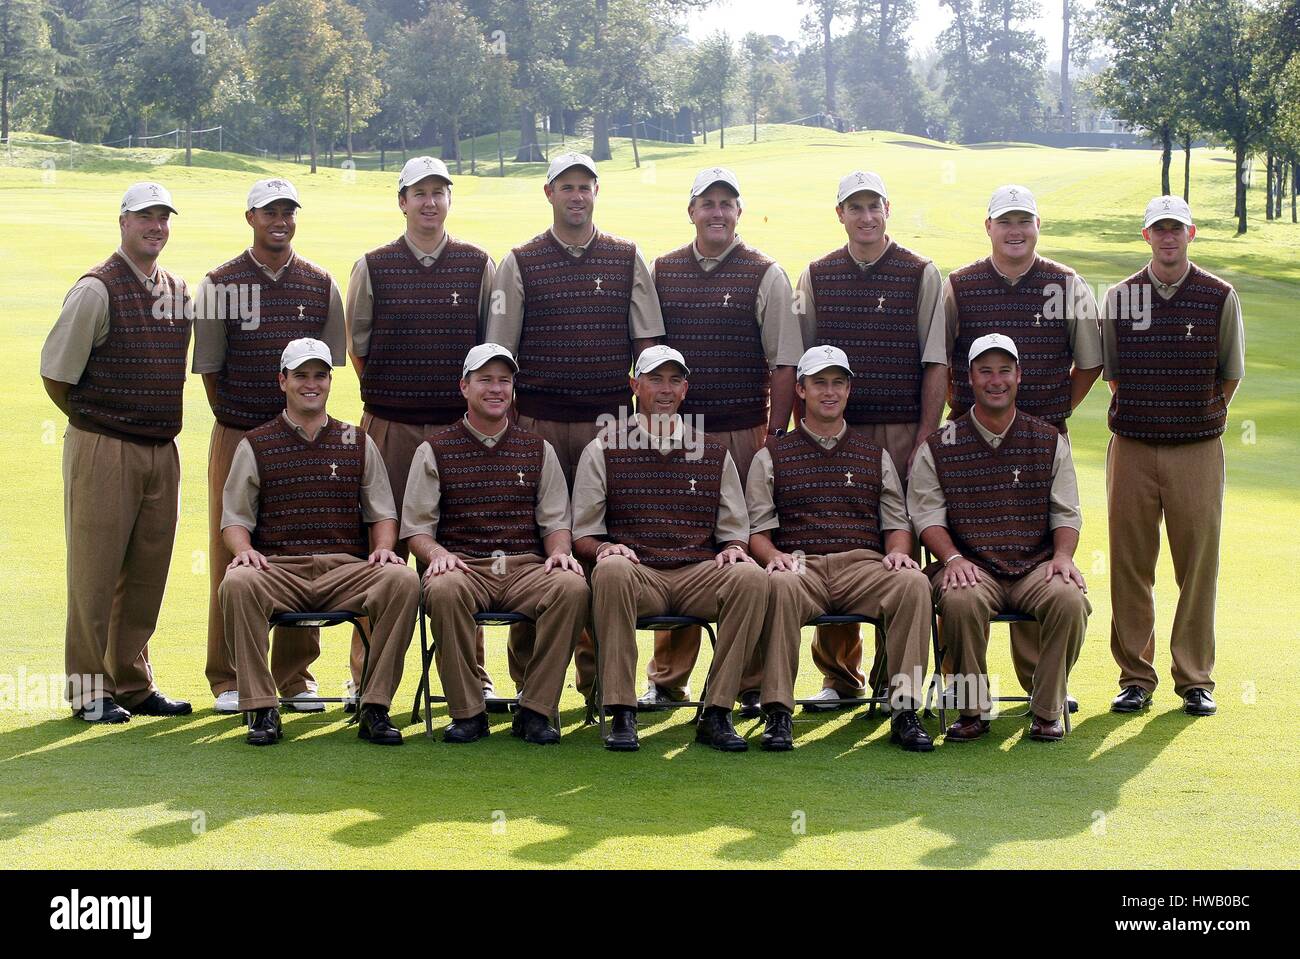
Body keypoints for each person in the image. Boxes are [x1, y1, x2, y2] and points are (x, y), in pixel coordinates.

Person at [486, 151, 665, 702]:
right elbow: (500, 352)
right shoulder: (519, 261)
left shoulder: (626, 257)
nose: (577, 196)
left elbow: (649, 349)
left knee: (600, 546)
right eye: (566, 186)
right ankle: (528, 682)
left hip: (608, 426)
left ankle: (597, 682)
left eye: (586, 186)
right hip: (538, 424)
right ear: (549, 193)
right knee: (536, 547)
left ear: (596, 192)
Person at [641, 166, 801, 717]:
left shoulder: (765, 273)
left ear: (739, 212)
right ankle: (668, 678)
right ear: (691, 212)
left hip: (741, 432)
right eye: (706, 203)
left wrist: (774, 435)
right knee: (678, 544)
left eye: (726, 203)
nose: (716, 212)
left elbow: (784, 361)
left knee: (743, 550)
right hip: (675, 436)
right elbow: (649, 356)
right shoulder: (662, 270)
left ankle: (750, 681)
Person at [346, 156, 500, 708]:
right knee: (381, 549)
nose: (429, 202)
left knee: (460, 547)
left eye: (439, 192)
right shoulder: (374, 265)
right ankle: (366, 676)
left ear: (448, 200)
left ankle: (470, 673)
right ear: (403, 202)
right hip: (390, 426)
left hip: (458, 431)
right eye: (419, 193)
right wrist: (397, 396)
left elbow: (486, 346)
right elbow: (358, 347)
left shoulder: (477, 264)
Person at [794, 170, 949, 712]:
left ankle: (898, 682)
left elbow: (936, 360)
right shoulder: (816, 275)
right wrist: (802, 435)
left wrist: (926, 436)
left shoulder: (920, 272)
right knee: (837, 540)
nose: (866, 217)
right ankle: (841, 677)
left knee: (904, 550)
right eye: (854, 208)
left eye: (874, 206)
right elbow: (801, 361)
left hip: (905, 427)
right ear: (840, 214)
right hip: (839, 431)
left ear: (888, 210)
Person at [193, 178, 347, 715]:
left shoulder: (319, 282)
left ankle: (295, 675)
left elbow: (326, 372)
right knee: (231, 550)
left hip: (305, 438)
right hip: (239, 433)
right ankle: (227, 675)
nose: (279, 220)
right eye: (268, 212)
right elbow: (211, 370)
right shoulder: (219, 282)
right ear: (250, 218)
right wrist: (248, 421)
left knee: (302, 543)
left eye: (287, 211)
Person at [40, 181, 193, 723]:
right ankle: (88, 691)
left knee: (147, 574)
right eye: (145, 217)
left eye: (163, 217)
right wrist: (96, 424)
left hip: (160, 449)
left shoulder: (177, 289)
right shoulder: (96, 289)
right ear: (123, 222)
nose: (156, 226)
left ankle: (131, 682)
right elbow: (56, 375)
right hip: (103, 446)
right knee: (95, 574)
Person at [943, 184, 1102, 703]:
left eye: (1024, 221)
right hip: (973, 442)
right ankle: (967, 695)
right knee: (978, 548)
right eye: (1005, 221)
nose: (1015, 231)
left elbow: (1090, 361)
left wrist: (1056, 410)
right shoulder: (961, 285)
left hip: (1043, 439)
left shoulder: (1066, 283)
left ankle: (1041, 689)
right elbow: (941, 361)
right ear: (988, 226)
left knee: (1038, 553)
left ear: (1037, 226)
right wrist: (965, 410)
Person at [218, 338, 419, 746]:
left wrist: (382, 548)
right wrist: (245, 552)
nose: (312, 384)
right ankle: (262, 708)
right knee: (237, 583)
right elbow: (235, 519)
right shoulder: (256, 443)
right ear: (283, 381)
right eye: (301, 376)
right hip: (280, 570)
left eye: (320, 376)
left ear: (329, 381)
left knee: (403, 581)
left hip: (345, 569)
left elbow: (382, 511)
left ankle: (374, 705)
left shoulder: (357, 440)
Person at [572, 346, 767, 752]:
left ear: (685, 389)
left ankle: (717, 713)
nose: (665, 389)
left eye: (674, 380)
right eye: (655, 379)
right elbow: (583, 534)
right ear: (634, 386)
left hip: (696, 571)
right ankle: (622, 711)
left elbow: (734, 527)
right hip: (637, 570)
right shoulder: (603, 449)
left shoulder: (713, 451)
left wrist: (733, 547)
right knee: (609, 570)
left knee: (748, 576)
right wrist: (605, 549)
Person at [747, 346, 934, 752]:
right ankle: (778, 712)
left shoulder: (874, 454)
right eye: (819, 383)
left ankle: (905, 710)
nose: (829, 392)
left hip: (862, 565)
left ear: (849, 390)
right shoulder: (772, 455)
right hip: (800, 565)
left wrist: (900, 552)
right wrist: (772, 557)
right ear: (801, 389)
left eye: (838, 383)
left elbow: (896, 523)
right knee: (776, 585)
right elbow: (756, 530)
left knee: (913, 583)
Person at [1101, 196, 1245, 717]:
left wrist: (1193, 416)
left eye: (1176, 229)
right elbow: (1113, 375)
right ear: (1146, 236)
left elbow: (1229, 374)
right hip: (1134, 448)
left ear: (1191, 234)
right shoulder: (1119, 298)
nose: (1168, 237)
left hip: (1198, 451)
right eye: (1159, 229)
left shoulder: (1218, 295)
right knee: (1130, 565)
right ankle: (1135, 677)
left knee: (1197, 566)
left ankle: (1194, 678)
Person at [403, 344, 589, 745]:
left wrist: (559, 553)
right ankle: (468, 713)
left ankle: (536, 710)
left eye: (504, 380)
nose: (496, 389)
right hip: (464, 566)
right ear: (464, 387)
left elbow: (556, 520)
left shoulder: (537, 448)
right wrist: (437, 555)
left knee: (572, 587)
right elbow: (416, 528)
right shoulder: (434, 449)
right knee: (444, 589)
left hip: (524, 567)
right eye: (485, 380)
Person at [908, 334, 1089, 742]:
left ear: (1018, 376)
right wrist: (953, 559)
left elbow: (1066, 510)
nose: (996, 380)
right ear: (967, 379)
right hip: (968, 566)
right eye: (985, 371)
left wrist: (1062, 557)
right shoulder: (939, 445)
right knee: (960, 600)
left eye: (1004, 371)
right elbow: (927, 516)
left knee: (1070, 598)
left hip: (1035, 567)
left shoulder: (1047, 439)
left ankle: (1046, 710)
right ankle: (973, 709)